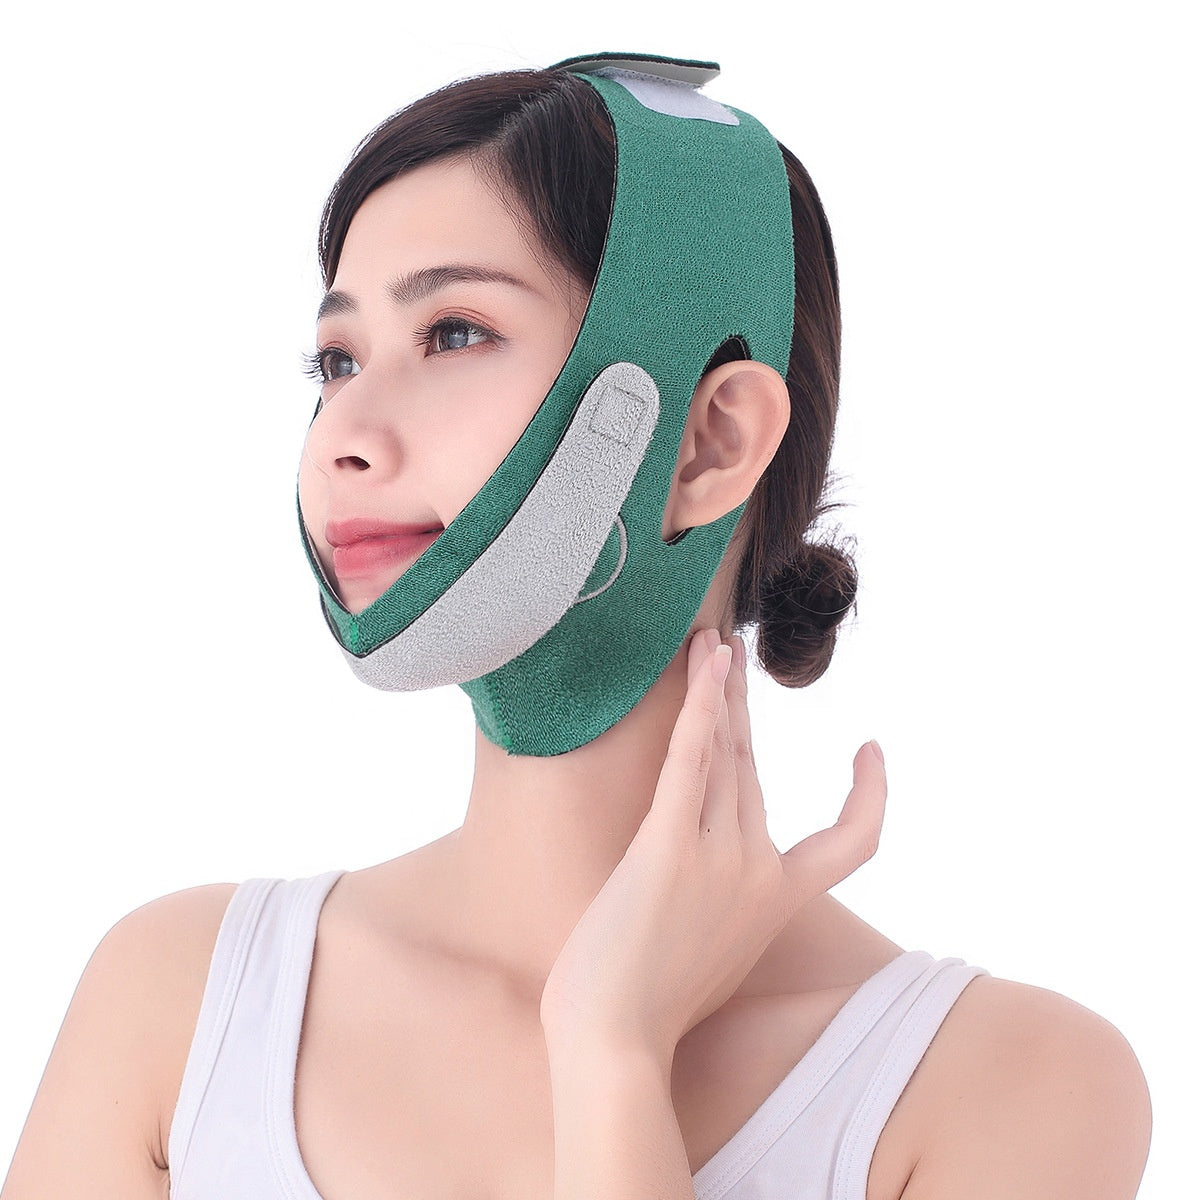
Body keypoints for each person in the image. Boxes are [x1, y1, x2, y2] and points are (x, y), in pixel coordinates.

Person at [2, 53, 1151, 1200]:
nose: (342, 435)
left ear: (712, 442)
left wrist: (613, 1050)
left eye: (455, 333)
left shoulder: (1010, 1085)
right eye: (338, 359)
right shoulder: (175, 999)